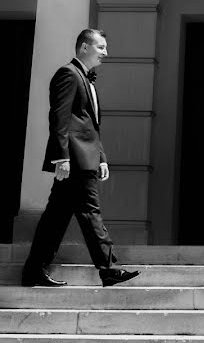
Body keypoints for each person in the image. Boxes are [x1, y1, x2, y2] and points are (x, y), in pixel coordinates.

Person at [21, 29, 140, 287]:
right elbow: (60, 119)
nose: (106, 53)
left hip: (85, 157)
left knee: (56, 217)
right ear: (84, 47)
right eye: (101, 47)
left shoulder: (86, 79)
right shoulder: (68, 74)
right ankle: (109, 268)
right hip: (74, 160)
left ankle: (33, 270)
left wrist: (102, 158)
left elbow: (89, 125)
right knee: (90, 211)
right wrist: (60, 158)